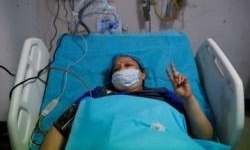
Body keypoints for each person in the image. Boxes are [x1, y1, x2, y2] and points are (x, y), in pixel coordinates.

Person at [40, 55, 213, 150]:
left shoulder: (162, 94)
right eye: (117, 69)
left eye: (128, 65)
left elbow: (205, 135)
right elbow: (62, 126)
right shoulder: (98, 94)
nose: (122, 69)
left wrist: (188, 98)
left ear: (143, 74)